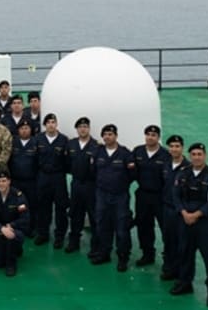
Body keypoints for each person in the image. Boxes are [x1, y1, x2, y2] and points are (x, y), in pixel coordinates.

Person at [170, 143, 208, 307]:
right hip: (185, 221)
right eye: (193, 154)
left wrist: (195, 215)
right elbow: (176, 196)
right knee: (184, 253)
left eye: (200, 154)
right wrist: (184, 213)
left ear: (205, 156)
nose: (197, 157)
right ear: (190, 156)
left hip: (204, 224)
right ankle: (185, 283)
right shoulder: (183, 173)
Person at [90, 124, 135, 272]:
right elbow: (93, 172)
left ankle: (123, 258)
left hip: (120, 196)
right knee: (103, 225)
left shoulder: (125, 154)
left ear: (116, 136)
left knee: (122, 228)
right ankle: (104, 253)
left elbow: (132, 175)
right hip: (102, 194)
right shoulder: (98, 152)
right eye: (105, 134)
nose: (107, 137)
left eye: (110, 134)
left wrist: (120, 185)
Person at [132, 124, 170, 267]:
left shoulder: (166, 155)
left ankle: (169, 258)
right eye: (148, 134)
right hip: (143, 195)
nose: (150, 137)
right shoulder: (138, 151)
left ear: (158, 138)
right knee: (143, 226)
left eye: (153, 135)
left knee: (165, 227)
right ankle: (147, 254)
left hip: (160, 196)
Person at [65, 117, 100, 256]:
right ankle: (74, 242)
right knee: (75, 214)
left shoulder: (97, 146)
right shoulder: (71, 144)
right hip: (76, 184)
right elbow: (67, 163)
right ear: (77, 129)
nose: (83, 129)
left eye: (85, 126)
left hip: (91, 185)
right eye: (80, 127)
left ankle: (95, 246)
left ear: (89, 128)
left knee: (93, 216)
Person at [33, 113, 69, 248]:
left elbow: (68, 161)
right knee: (43, 207)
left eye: (53, 122)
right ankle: (43, 233)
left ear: (57, 124)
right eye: (48, 122)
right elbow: (34, 159)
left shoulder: (64, 140)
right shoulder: (38, 139)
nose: (51, 124)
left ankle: (59, 236)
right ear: (44, 125)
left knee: (61, 207)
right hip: (43, 176)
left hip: (58, 177)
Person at [0, 170, 30, 277]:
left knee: (11, 236)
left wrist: (11, 226)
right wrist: (1, 228)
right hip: (1, 230)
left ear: (9, 181)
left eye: (4, 181)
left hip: (16, 228)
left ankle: (11, 264)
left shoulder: (18, 196)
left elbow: (25, 218)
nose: (1, 183)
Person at [160, 134, 189, 281]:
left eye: (177, 146)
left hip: (181, 211)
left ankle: (181, 273)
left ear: (182, 148)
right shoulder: (165, 164)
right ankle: (169, 268)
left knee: (182, 242)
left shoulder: (188, 168)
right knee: (168, 240)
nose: (174, 149)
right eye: (171, 146)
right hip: (167, 208)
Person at [7, 119, 38, 233]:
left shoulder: (36, 142)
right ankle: (16, 227)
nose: (24, 131)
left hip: (31, 181)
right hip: (15, 180)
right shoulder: (13, 142)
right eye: (22, 128)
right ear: (18, 130)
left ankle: (31, 227)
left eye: (26, 128)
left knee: (31, 205)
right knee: (15, 205)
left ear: (31, 130)